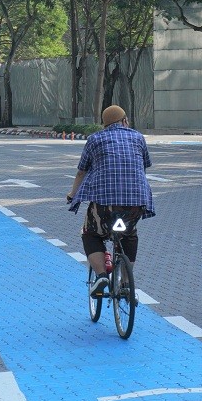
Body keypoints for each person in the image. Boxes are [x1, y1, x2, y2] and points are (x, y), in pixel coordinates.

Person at [66, 105, 154, 296]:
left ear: (104, 124)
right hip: (136, 201)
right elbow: (144, 165)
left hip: (105, 204)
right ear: (124, 121)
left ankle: (101, 277)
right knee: (129, 235)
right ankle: (124, 282)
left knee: (90, 233)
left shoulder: (95, 139)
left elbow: (82, 171)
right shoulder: (138, 137)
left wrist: (72, 195)